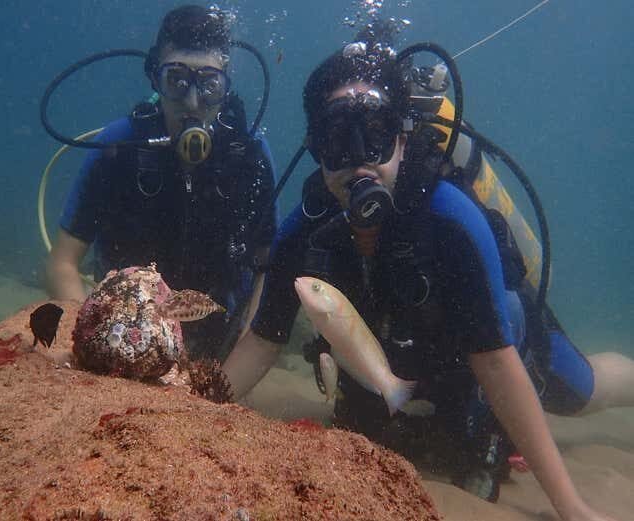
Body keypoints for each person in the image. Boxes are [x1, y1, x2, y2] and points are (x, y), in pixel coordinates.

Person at [221, 31, 634, 521]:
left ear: (402, 139)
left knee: (578, 388)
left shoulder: (451, 218)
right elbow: (263, 342)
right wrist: (195, 409)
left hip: (482, 351)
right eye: (337, 140)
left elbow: (498, 365)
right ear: (314, 147)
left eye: (374, 135)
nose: (359, 161)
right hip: (392, 368)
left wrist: (571, 507)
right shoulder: (305, 230)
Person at [46, 5, 277, 358]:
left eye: (209, 84)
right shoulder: (117, 147)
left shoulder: (250, 154)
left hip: (217, 342)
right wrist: (93, 337)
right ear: (155, 78)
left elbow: (266, 266)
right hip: (121, 335)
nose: (193, 101)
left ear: (226, 84)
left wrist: (243, 349)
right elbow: (62, 261)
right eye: (177, 81)